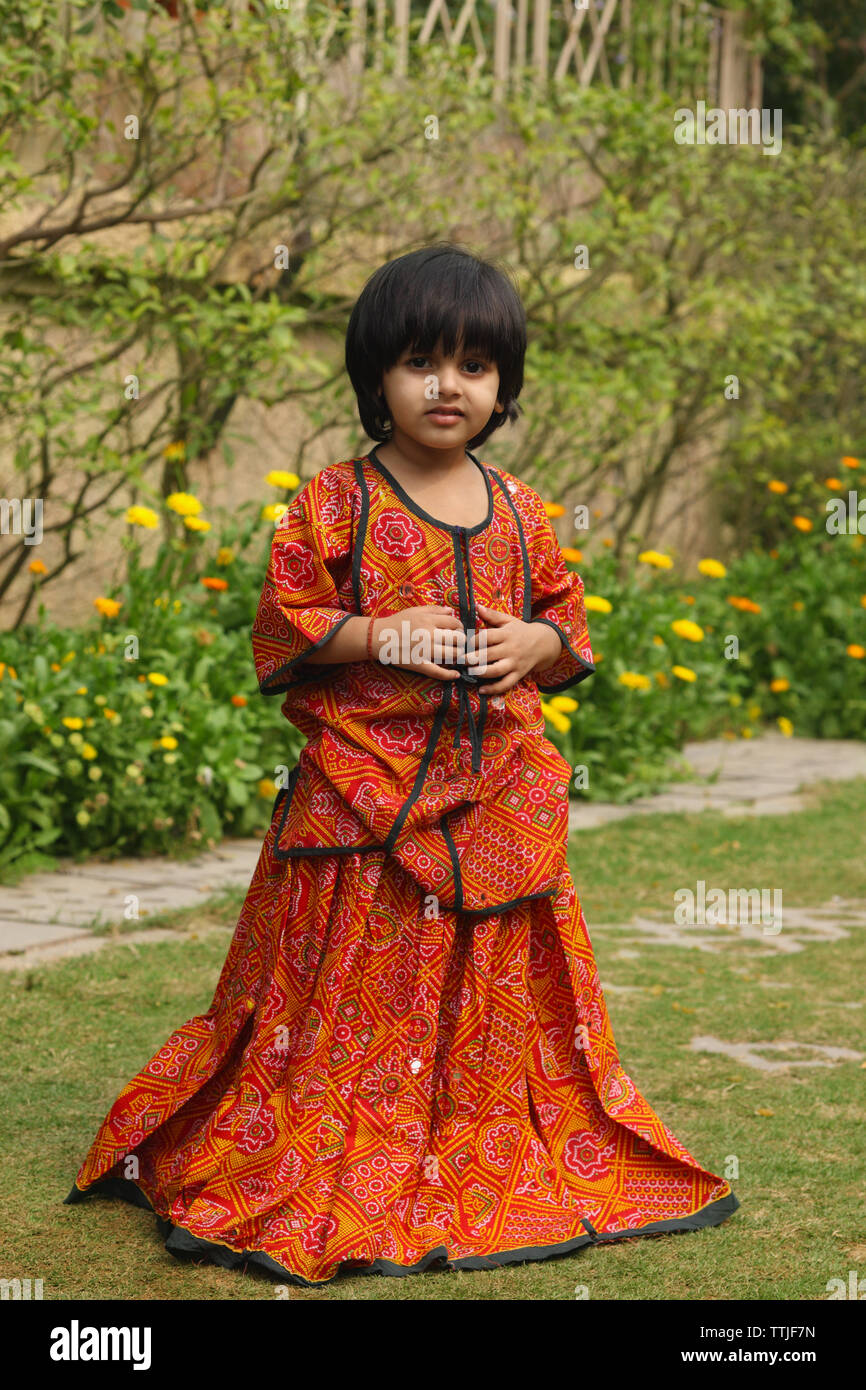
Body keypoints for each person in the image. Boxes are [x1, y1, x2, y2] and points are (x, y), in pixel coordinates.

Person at [65, 242, 738, 1287]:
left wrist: (538, 647)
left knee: (496, 1012)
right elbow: (282, 625)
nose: (446, 386)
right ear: (376, 372)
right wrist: (376, 635)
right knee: (345, 1000)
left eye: (473, 367)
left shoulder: (521, 509)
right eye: (422, 361)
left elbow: (565, 625)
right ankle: (326, 1141)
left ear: (502, 385)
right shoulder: (333, 502)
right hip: (360, 808)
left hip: (496, 802)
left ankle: (475, 1138)